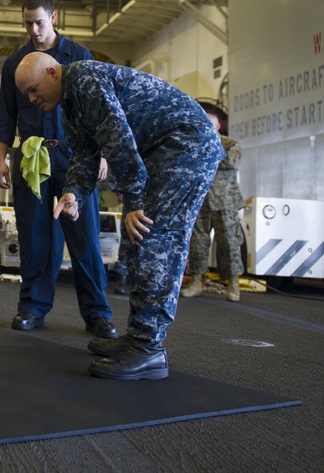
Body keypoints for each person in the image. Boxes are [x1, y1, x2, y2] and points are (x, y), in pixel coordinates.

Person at [15, 51, 223, 380]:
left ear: (53, 73)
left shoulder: (84, 78)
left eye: (33, 88)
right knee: (138, 236)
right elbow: (85, 153)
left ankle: (149, 348)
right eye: (25, 93)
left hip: (187, 145)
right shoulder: (70, 101)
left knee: (152, 237)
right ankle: (138, 337)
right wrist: (74, 193)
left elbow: (117, 137)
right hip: (163, 149)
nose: (31, 97)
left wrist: (135, 198)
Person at [0, 0, 115, 339]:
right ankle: (32, 307)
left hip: (75, 156)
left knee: (84, 236)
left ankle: (97, 314)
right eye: (27, 23)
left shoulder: (79, 56)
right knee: (35, 236)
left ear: (53, 18)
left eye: (39, 22)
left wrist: (102, 153)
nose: (33, 29)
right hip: (31, 158)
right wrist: (1, 159)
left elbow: (98, 109)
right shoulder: (14, 63)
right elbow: (6, 116)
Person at [181, 106, 245, 302]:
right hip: (201, 200)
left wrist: (206, 150)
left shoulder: (230, 144)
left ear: (218, 126)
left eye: (210, 123)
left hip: (225, 202)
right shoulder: (194, 144)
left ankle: (233, 284)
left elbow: (229, 164)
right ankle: (196, 282)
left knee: (229, 243)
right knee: (198, 243)